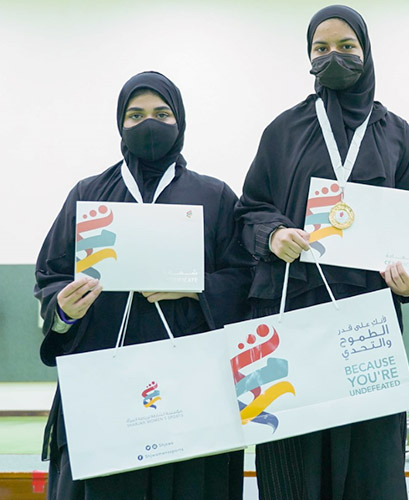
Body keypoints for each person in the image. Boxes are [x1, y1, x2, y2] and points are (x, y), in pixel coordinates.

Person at [34, 71, 254, 500]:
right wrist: (63, 308)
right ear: (119, 124)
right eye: (135, 115)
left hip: (191, 393)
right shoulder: (89, 194)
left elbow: (245, 277)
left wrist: (195, 287)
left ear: (180, 121)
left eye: (161, 113)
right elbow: (49, 277)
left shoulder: (214, 195)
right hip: (103, 389)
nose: (147, 123)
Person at [234, 5, 409, 499]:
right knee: (296, 467)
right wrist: (274, 234)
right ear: (307, 57)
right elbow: (250, 210)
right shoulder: (283, 130)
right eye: (321, 49)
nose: (333, 57)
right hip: (295, 314)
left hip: (369, 324)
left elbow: (408, 228)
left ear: (367, 51)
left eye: (346, 47)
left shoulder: (397, 133)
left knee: (372, 469)